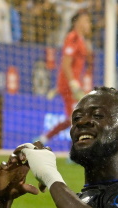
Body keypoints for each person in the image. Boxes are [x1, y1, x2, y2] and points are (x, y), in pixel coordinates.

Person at [37, 10, 92, 146]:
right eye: (86, 21)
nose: (89, 24)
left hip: (71, 84)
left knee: (73, 118)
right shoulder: (72, 37)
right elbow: (66, 64)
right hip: (70, 85)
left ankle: (43, 140)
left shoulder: (80, 39)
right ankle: (76, 151)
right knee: (78, 118)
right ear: (78, 22)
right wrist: (72, 84)